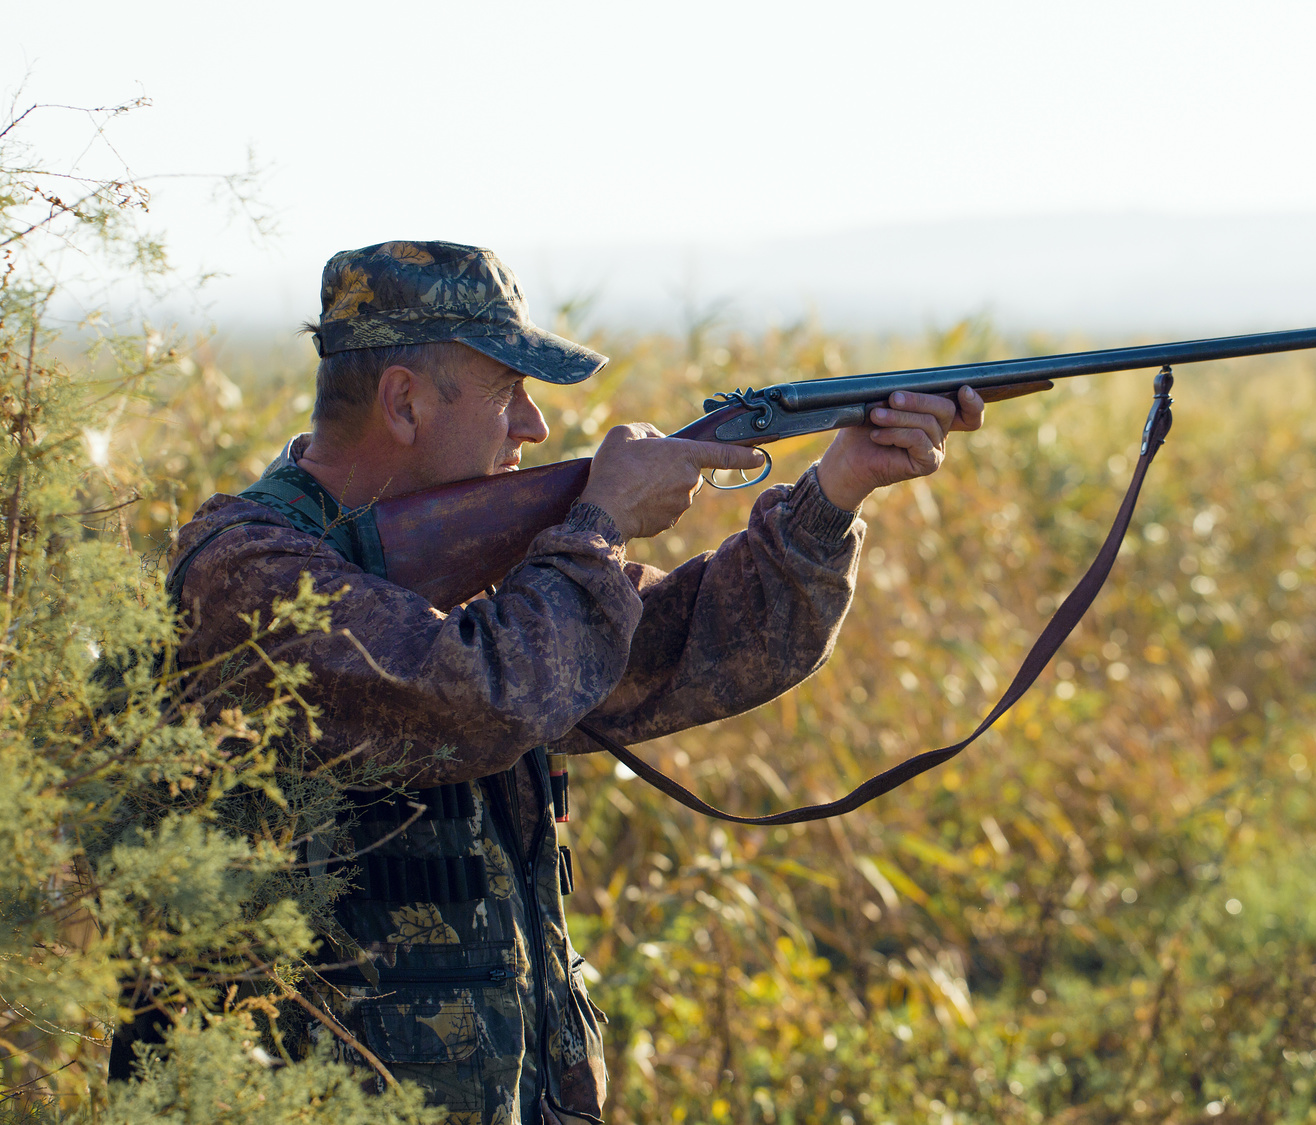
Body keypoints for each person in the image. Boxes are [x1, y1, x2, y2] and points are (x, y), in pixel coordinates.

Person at [164, 240, 984, 1124]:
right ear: (403, 401)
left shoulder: (478, 563)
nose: (535, 428)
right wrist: (597, 524)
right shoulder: (248, 573)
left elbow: (683, 648)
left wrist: (835, 489)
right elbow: (480, 693)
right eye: (505, 392)